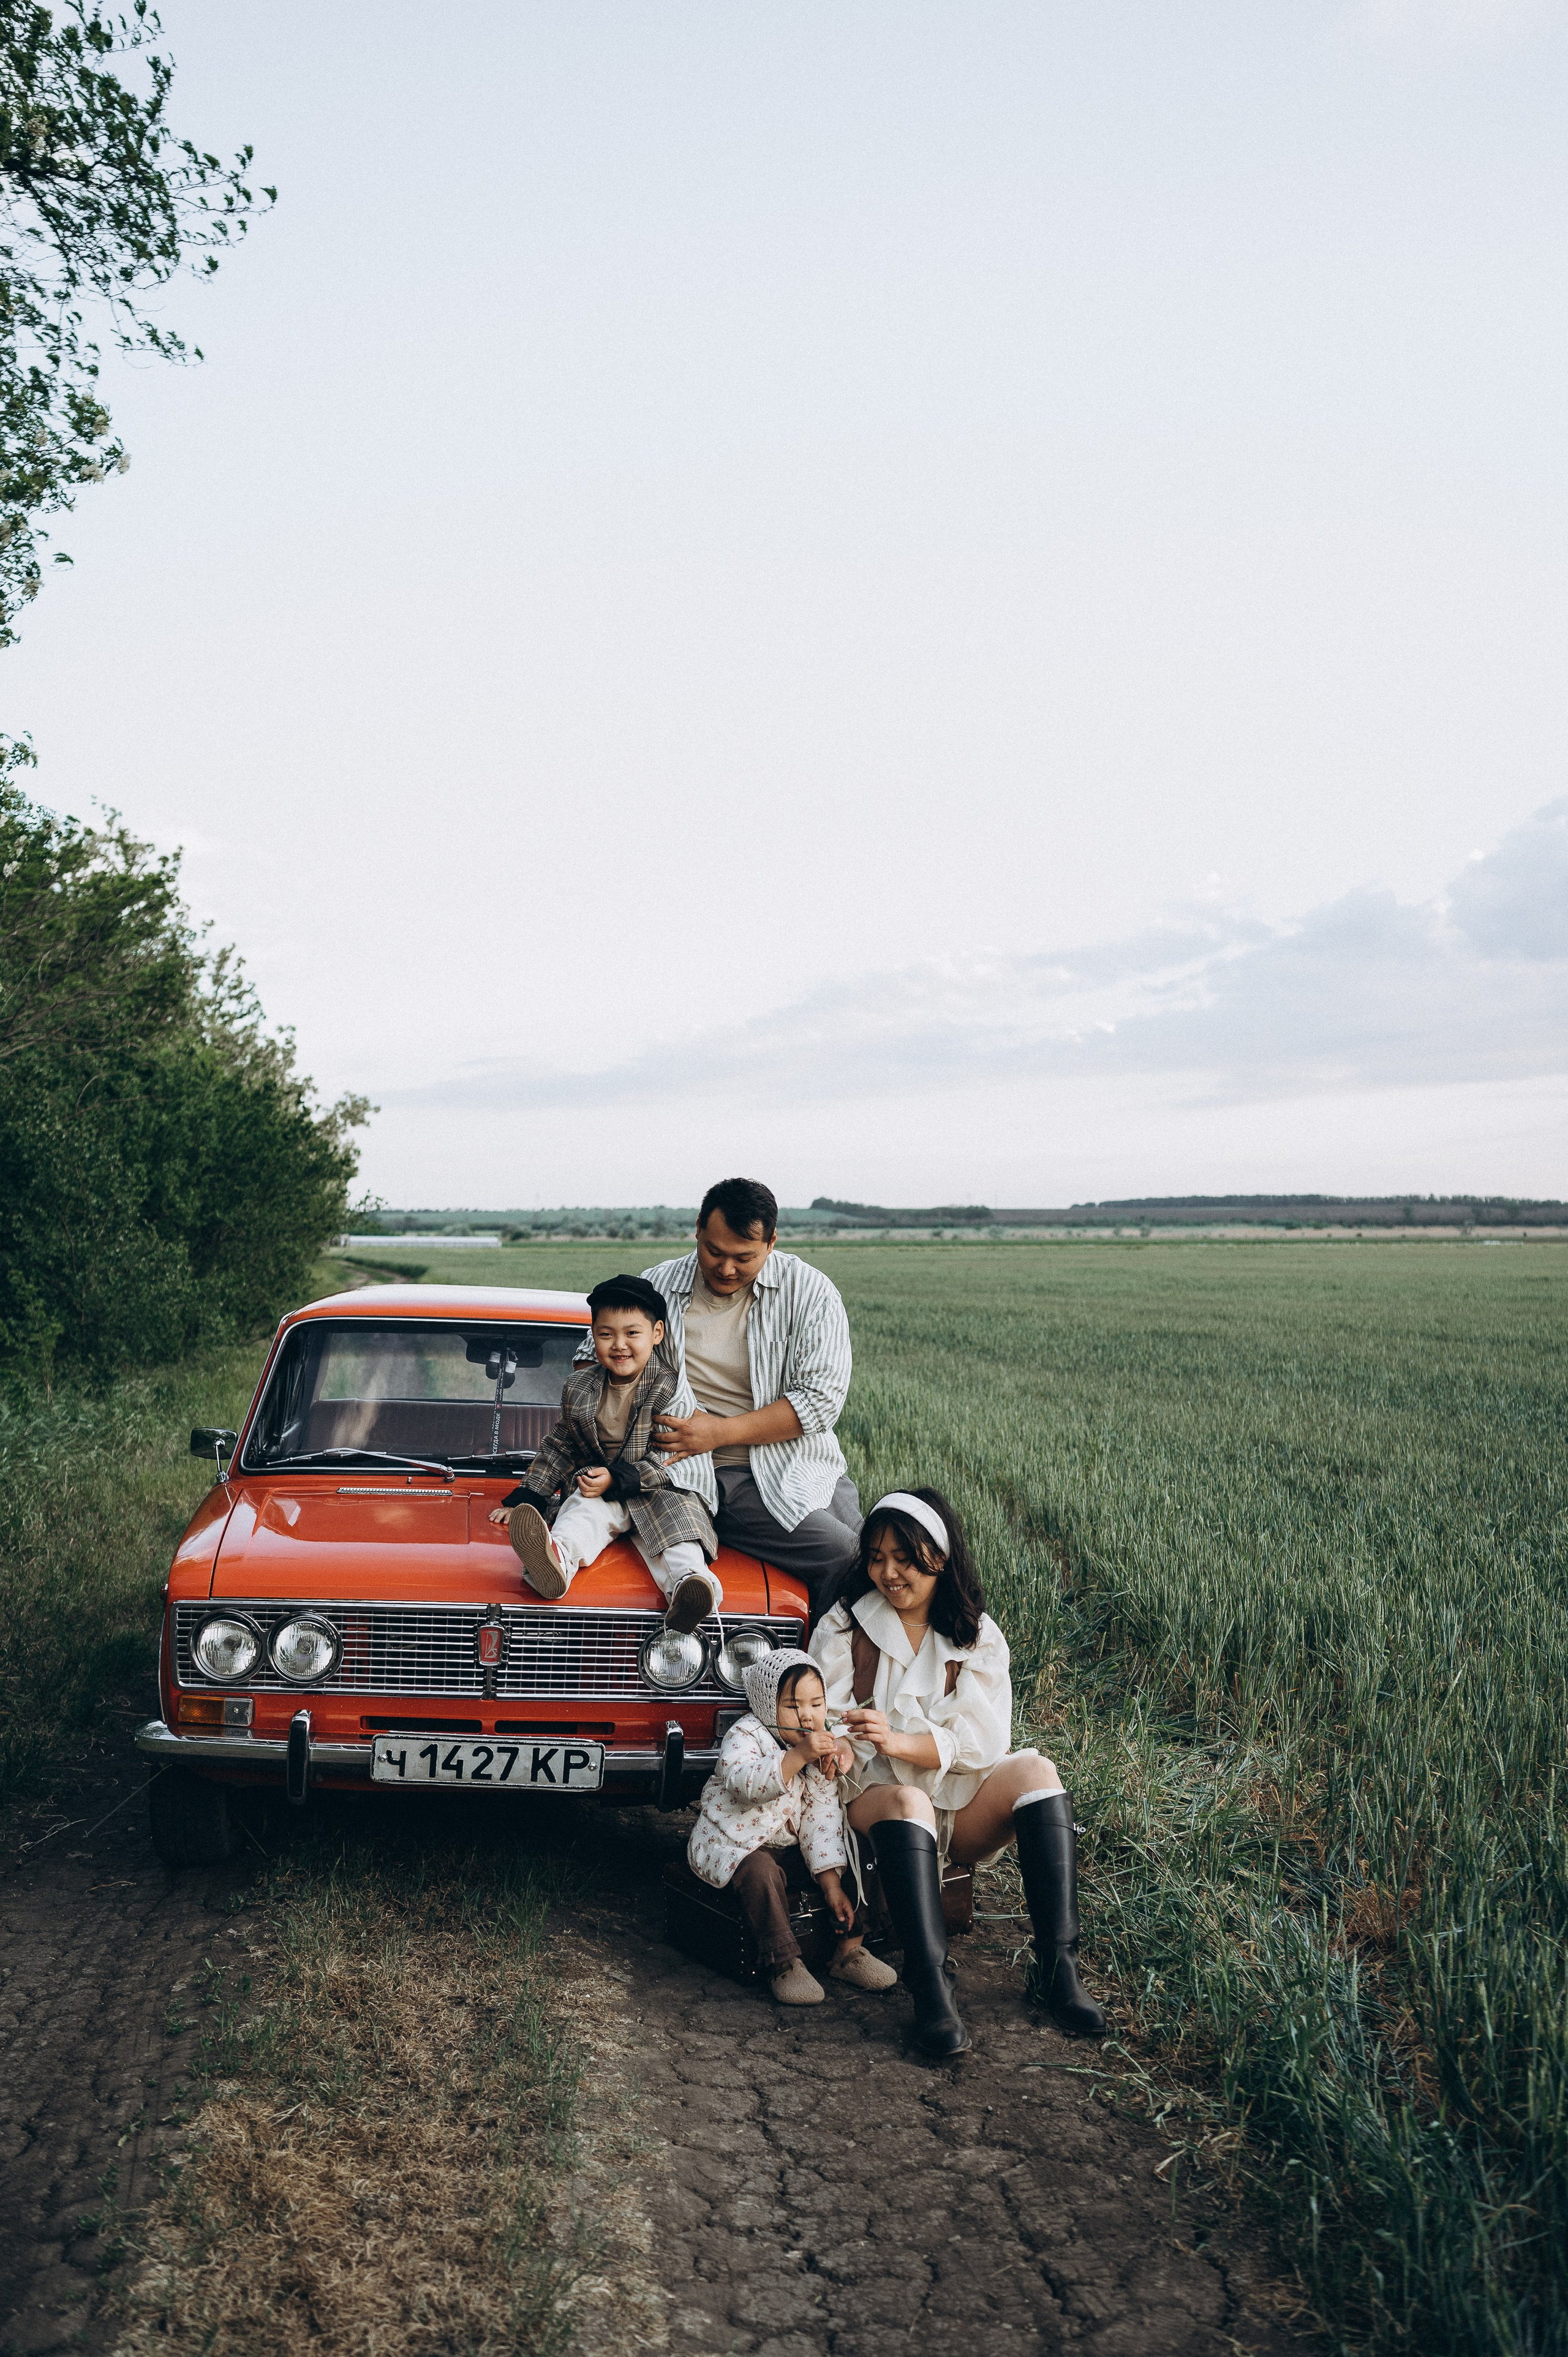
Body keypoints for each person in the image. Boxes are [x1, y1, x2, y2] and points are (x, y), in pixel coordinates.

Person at [810, 1487, 1107, 2058]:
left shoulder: (974, 1632)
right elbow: (827, 1718)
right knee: (908, 1802)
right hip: (875, 1802)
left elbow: (984, 1742)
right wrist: (842, 1744)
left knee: (1035, 1770)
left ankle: (1058, 1971)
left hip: (957, 1808)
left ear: (938, 1558)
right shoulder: (847, 1625)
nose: (889, 1573)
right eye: (876, 1557)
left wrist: (898, 1737)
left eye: (904, 1558)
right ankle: (931, 1989)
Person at [638, 1177, 861, 1612]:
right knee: (847, 1559)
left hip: (810, 1461)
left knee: (886, 1560)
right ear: (699, 1229)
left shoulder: (811, 1292)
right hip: (723, 1476)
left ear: (772, 1242)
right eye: (714, 1252)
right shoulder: (655, 1289)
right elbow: (591, 1361)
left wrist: (718, 1430)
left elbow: (821, 1401)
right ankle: (812, 1675)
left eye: (745, 1258)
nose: (726, 1269)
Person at [491, 1275, 721, 1631]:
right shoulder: (580, 1388)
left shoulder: (671, 1387)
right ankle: (555, 1561)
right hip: (602, 1488)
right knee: (582, 1510)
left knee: (678, 1533)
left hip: (660, 1488)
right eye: (606, 1334)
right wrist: (527, 1496)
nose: (619, 1345)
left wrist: (619, 1477)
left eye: (632, 1333)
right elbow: (561, 1445)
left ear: (656, 1334)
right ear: (593, 1336)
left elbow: (672, 1457)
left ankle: (690, 1587)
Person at [687, 1648, 897, 2007]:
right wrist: (796, 1758)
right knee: (760, 1872)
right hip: (736, 1843)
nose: (807, 1715)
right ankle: (783, 1961)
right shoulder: (747, 1735)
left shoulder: (817, 1751)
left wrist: (831, 1885)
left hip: (793, 1850)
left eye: (816, 1705)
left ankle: (849, 1952)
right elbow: (742, 1783)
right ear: (768, 1706)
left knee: (859, 1847)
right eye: (792, 1705)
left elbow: (822, 1821)